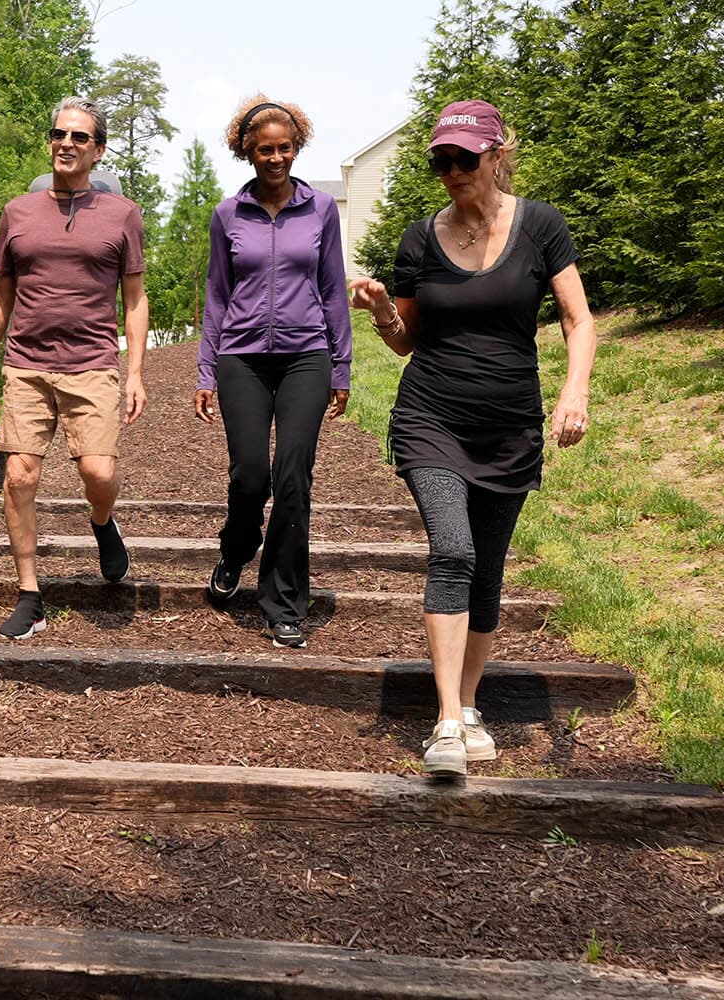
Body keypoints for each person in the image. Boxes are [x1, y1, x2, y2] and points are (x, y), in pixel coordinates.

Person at [350, 100, 596, 776]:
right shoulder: (418, 239)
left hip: (510, 427)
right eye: (441, 161)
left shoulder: (540, 225)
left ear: (496, 154)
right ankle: (447, 722)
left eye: (464, 158)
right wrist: (381, 311)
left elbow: (578, 319)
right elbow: (407, 341)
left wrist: (574, 393)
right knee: (453, 551)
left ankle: (469, 703)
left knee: (487, 570)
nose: (452, 171)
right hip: (431, 418)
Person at [0, 97, 149, 640]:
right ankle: (30, 593)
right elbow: (1, 293)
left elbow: (135, 298)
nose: (66, 143)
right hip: (26, 364)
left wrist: (135, 373)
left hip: (92, 363)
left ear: (99, 150)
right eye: (59, 134)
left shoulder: (122, 214)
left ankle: (102, 521)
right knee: (19, 476)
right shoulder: (18, 212)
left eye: (79, 137)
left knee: (97, 472)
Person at [194, 95, 352, 649]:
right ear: (248, 152)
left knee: (292, 477)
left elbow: (333, 288)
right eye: (265, 150)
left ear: (297, 147)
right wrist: (206, 371)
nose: (276, 158)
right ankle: (237, 547)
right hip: (241, 357)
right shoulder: (228, 215)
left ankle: (284, 603)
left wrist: (341, 366)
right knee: (250, 476)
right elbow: (218, 295)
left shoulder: (321, 209)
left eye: (285, 148)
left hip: (306, 355)